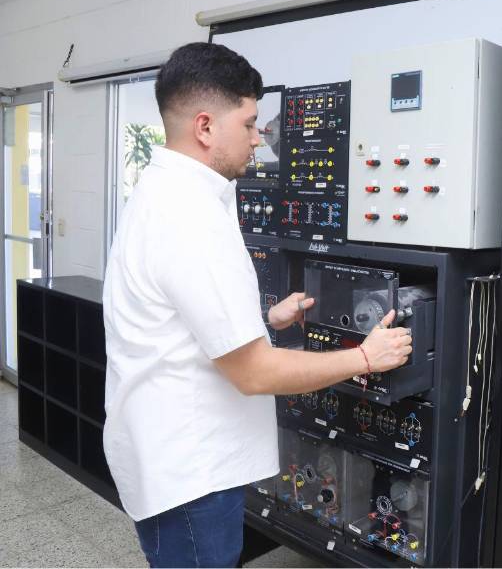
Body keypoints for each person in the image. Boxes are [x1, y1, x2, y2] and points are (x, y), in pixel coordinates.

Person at [102, 42, 412, 568]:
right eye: (248, 123)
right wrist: (366, 358)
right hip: (190, 476)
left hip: (169, 459)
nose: (258, 137)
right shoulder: (189, 217)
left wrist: (264, 320)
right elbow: (252, 371)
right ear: (205, 126)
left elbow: (182, 321)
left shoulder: (165, 195)